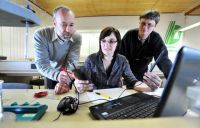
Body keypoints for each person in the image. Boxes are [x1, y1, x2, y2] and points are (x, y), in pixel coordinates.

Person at [69, 26, 158, 94]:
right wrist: (78, 85)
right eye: (103, 41)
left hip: (114, 98)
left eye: (111, 41)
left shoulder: (122, 60)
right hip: (94, 97)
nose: (106, 45)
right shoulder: (91, 59)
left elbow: (132, 82)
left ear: (117, 44)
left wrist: (149, 88)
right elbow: (82, 82)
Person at [34, 6, 81, 93]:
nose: (68, 30)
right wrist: (57, 75)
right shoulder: (41, 35)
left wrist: (66, 78)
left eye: (71, 25)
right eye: (63, 24)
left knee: (66, 95)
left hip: (67, 72)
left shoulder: (76, 37)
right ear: (54, 24)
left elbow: (72, 60)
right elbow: (42, 63)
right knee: (51, 95)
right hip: (51, 71)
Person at [119, 10, 172, 87]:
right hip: (128, 73)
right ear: (139, 23)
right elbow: (120, 56)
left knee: (141, 94)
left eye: (149, 25)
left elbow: (163, 60)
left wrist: (172, 77)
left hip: (143, 74)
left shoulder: (156, 38)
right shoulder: (129, 35)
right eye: (143, 23)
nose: (144, 28)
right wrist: (118, 74)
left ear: (154, 26)